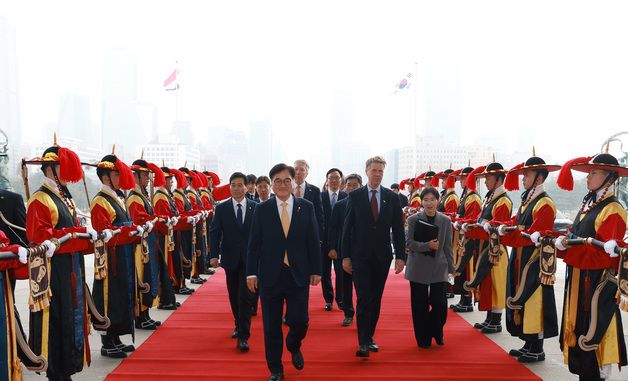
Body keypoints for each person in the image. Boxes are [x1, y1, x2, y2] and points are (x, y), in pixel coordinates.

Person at [550, 152, 627, 380]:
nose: (588, 178)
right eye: (589, 173)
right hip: (580, 276)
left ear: (609, 178)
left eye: (594, 173)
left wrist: (570, 246)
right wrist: (564, 241)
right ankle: (586, 372)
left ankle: (598, 374)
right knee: (579, 325)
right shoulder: (590, 205)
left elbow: (602, 254)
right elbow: (578, 236)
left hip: (597, 282)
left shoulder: (612, 209)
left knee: (596, 326)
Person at [25, 142, 96, 381]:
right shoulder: (40, 199)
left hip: (70, 267)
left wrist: (84, 233)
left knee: (71, 316)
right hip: (54, 272)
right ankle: (57, 371)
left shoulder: (62, 198)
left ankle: (66, 367)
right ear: (51, 169)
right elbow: (39, 238)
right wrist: (78, 234)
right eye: (63, 169)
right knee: (57, 318)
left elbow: (67, 232)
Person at [246, 163, 322, 381]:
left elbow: (312, 241)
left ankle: (294, 344)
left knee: (300, 321)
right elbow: (254, 244)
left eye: (286, 180)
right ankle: (275, 369)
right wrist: (251, 273)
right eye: (277, 181)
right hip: (270, 275)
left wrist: (317, 269)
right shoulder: (262, 209)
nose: (282, 185)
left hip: (298, 274)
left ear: (293, 182)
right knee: (271, 325)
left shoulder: (306, 207)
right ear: (271, 185)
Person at [341, 156, 406, 357]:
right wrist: (345, 256)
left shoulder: (392, 197)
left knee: (375, 299)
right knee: (363, 297)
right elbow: (347, 228)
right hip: (360, 256)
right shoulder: (355, 196)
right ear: (367, 171)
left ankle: (369, 337)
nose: (377, 174)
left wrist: (401, 256)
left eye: (380, 171)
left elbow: (397, 229)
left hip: (382, 256)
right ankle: (362, 342)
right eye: (374, 170)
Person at [498, 154, 560, 363]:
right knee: (522, 297)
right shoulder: (528, 200)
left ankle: (537, 347)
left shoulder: (544, 203)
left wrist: (519, 230)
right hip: (521, 256)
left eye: (528, 174)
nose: (523, 177)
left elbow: (539, 232)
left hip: (535, 260)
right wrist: (506, 226)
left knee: (535, 300)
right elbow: (517, 222)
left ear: (539, 178)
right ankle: (528, 342)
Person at [90, 153, 144, 357]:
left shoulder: (117, 198)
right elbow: (104, 233)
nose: (121, 178)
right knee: (109, 298)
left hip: (123, 256)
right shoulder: (100, 201)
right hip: (111, 260)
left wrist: (133, 231)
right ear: (106, 177)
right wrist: (127, 231)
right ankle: (107, 340)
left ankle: (116, 337)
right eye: (117, 174)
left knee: (122, 296)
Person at [462, 161, 513, 334]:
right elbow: (480, 219)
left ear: (499, 179)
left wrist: (484, 222)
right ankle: (489, 318)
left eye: (488, 177)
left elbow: (498, 224)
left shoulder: (503, 201)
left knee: (496, 284)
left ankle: (496, 321)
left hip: (495, 249)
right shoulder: (491, 198)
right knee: (487, 283)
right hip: (486, 246)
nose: (485, 181)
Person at [210, 172, 258, 352]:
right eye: (233, 185)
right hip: (230, 259)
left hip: (250, 259)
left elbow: (260, 235)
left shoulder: (256, 207)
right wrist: (214, 255)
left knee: (244, 296)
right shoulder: (221, 208)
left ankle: (244, 336)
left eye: (240, 185)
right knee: (233, 294)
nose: (236, 188)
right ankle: (238, 322)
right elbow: (215, 232)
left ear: (246, 187)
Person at [405, 187, 454, 348]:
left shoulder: (446, 221)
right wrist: (427, 245)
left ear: (438, 201)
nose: (429, 203)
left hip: (439, 267)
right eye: (426, 200)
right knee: (419, 305)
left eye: (432, 199)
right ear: (422, 202)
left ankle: (436, 329)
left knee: (440, 304)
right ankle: (423, 338)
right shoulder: (413, 220)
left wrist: (452, 269)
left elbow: (448, 246)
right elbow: (409, 243)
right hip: (418, 266)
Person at [128, 158, 169, 329]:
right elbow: (138, 219)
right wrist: (153, 220)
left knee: (150, 274)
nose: (147, 178)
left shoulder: (142, 195)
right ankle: (140, 315)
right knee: (143, 276)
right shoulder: (134, 196)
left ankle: (146, 313)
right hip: (140, 245)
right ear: (135, 176)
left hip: (149, 241)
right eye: (144, 175)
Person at [328, 173, 362, 326]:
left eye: (355, 185)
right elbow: (333, 229)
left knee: (362, 286)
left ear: (361, 186)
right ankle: (348, 313)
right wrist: (332, 248)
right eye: (349, 185)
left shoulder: (366, 204)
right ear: (344, 186)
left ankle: (363, 315)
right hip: (344, 251)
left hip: (362, 252)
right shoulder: (340, 205)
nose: (352, 187)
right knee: (345, 284)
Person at [449, 166, 482, 313]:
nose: (461, 181)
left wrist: (460, 220)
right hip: (460, 236)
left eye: (464, 178)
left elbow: (472, 219)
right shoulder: (466, 196)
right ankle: (463, 298)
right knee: (460, 267)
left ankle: (467, 299)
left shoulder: (473, 197)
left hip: (468, 238)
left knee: (466, 268)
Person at [152, 167, 183, 310]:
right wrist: (170, 220)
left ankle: (169, 296)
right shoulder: (160, 196)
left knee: (170, 266)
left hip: (168, 235)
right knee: (165, 267)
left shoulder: (166, 195)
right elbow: (160, 216)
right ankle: (165, 298)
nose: (171, 182)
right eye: (169, 180)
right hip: (162, 235)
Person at [320, 168, 347, 311]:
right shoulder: (320, 196)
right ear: (327, 180)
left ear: (341, 180)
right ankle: (328, 299)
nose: (334, 180)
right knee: (325, 273)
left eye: (337, 177)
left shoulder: (346, 197)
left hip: (340, 242)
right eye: (331, 178)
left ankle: (340, 299)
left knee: (340, 272)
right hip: (323, 242)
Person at [292, 160, 324, 239]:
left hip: (308, 234)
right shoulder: (286, 189)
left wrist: (319, 238)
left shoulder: (315, 190)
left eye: (302, 169)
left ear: (307, 173)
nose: (298, 172)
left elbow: (319, 216)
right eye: (295, 169)